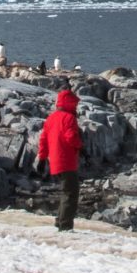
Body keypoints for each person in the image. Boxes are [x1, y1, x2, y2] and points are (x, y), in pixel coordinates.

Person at [38, 87, 84, 229]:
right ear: (69, 103)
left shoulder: (51, 118)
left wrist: (42, 158)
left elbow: (43, 139)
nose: (76, 107)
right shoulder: (69, 118)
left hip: (55, 162)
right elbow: (70, 137)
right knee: (71, 193)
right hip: (67, 160)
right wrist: (80, 147)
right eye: (74, 104)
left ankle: (60, 221)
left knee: (65, 192)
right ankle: (65, 226)